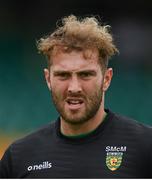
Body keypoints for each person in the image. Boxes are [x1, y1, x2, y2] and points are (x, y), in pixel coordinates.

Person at [0, 14, 152, 178]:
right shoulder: (18, 157)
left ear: (106, 79)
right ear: (48, 79)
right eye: (63, 75)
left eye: (85, 74)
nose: (74, 87)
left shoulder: (145, 147)